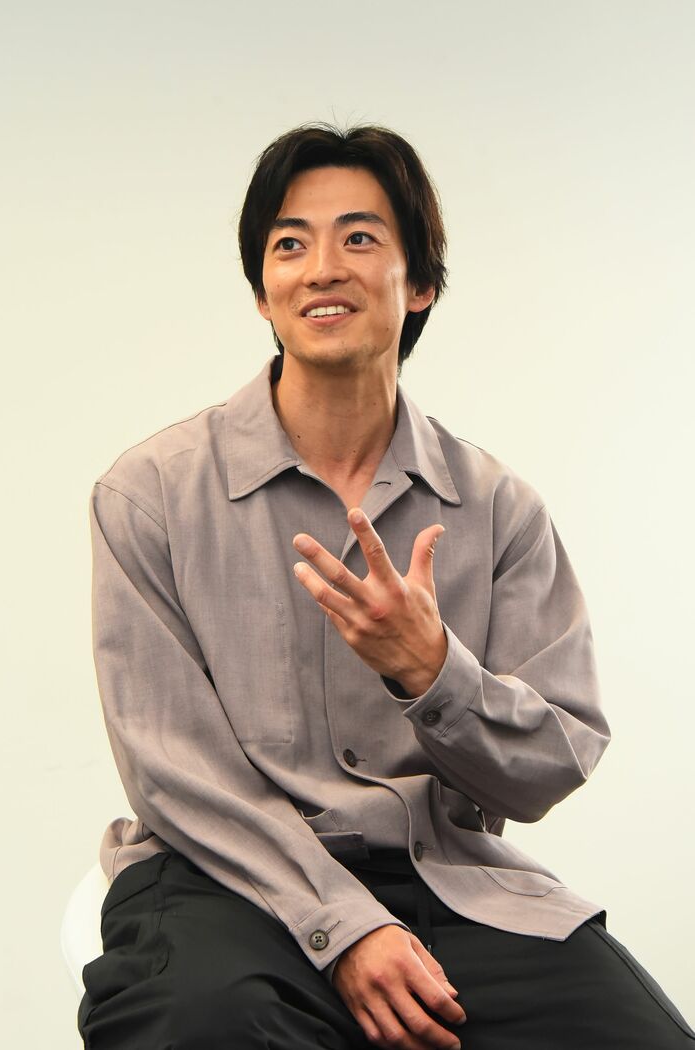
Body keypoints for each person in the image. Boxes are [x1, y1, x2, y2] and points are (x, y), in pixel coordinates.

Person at [79, 122, 694, 1049]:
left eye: (360, 237)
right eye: (290, 244)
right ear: (263, 293)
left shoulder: (498, 508)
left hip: (441, 874)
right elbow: (175, 772)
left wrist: (433, 670)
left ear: (420, 285)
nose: (323, 268)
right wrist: (345, 926)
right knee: (202, 1024)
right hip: (222, 878)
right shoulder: (150, 495)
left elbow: (552, 761)